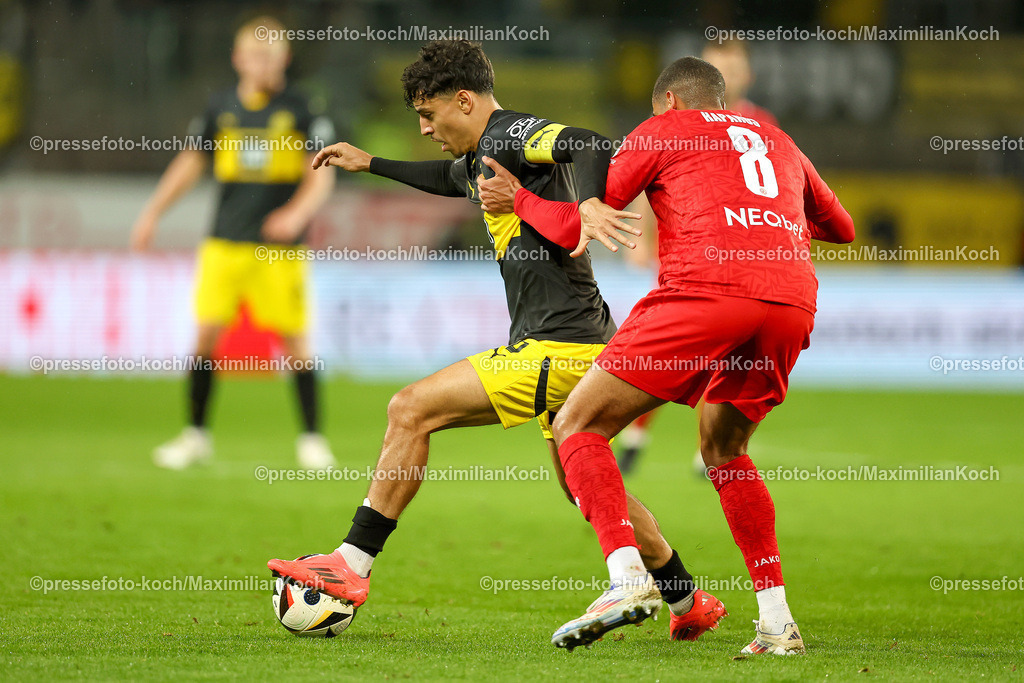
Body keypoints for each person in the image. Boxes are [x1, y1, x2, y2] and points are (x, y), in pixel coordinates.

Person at [267, 40, 726, 648]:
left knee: (410, 408)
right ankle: (688, 600)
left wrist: (588, 202)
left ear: (465, 100)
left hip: (557, 347)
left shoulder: (510, 134)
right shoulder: (485, 152)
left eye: (430, 116)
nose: (426, 129)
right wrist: (371, 162)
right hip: (582, 341)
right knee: (582, 484)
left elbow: (588, 143)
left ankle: (351, 563)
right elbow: (446, 178)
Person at [477, 56, 854, 653]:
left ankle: (627, 578)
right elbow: (842, 227)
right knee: (726, 450)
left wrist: (519, 200)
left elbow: (591, 219)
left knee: (577, 423)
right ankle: (777, 622)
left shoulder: (661, 129)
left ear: (670, 102)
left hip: (707, 291)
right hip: (790, 302)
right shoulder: (779, 140)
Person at [130, 16, 337, 470]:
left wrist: (296, 213)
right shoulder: (220, 107)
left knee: (295, 341)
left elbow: (321, 174)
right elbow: (190, 164)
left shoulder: (303, 108)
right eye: (255, 55)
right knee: (205, 338)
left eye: (273, 55)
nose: (264, 64)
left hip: (278, 249)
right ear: (238, 58)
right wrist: (152, 213)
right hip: (223, 243)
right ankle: (195, 435)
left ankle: (312, 440)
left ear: (284, 58)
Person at [617, 38, 778, 476]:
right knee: (679, 351)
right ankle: (638, 430)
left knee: (728, 355)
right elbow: (653, 180)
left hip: (746, 265)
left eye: (734, 67)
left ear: (748, 76)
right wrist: (643, 239)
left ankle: (704, 446)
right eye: (718, 67)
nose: (728, 74)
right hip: (687, 256)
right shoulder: (681, 121)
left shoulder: (763, 124)